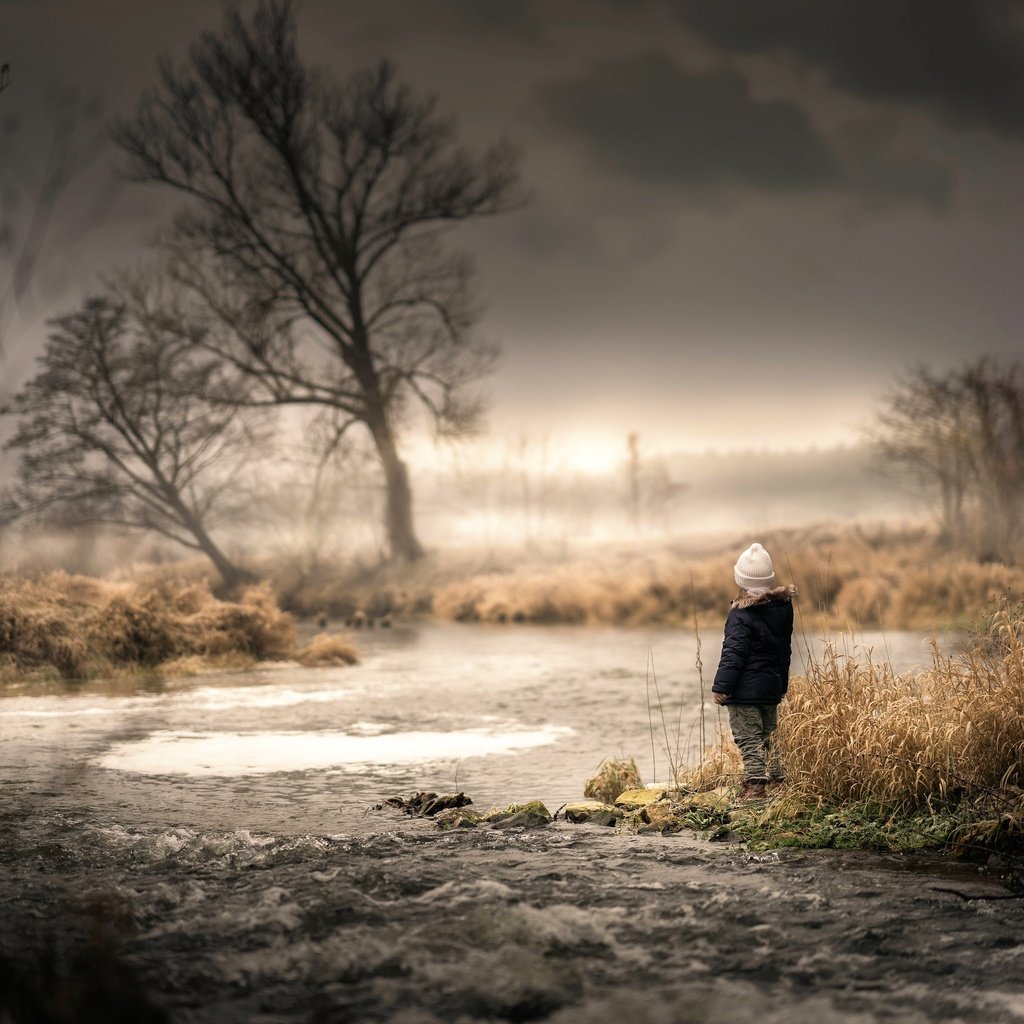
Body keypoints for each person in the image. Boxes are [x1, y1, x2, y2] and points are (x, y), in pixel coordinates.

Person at [711, 542, 797, 800]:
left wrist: (721, 687)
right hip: (771, 686)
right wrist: (781, 685)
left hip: (745, 692)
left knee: (749, 739)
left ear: (740, 577)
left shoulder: (740, 613)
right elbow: (785, 650)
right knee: (768, 735)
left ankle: (756, 788)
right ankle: (778, 783)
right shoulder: (782, 608)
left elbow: (733, 654)